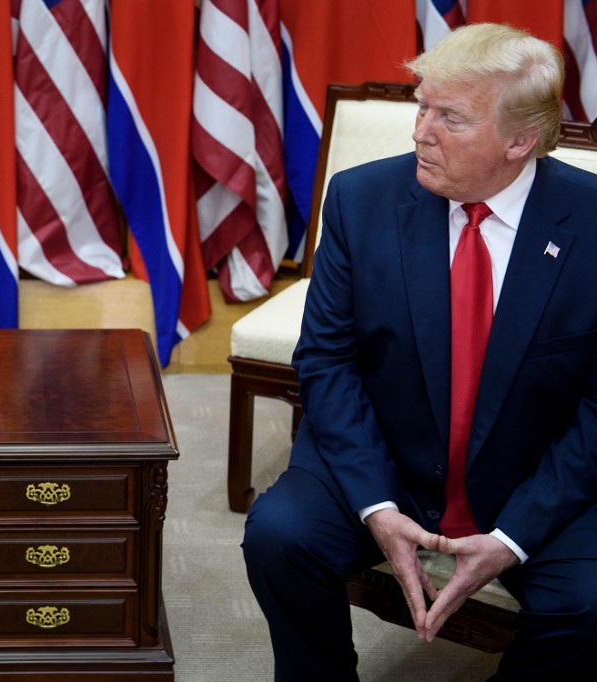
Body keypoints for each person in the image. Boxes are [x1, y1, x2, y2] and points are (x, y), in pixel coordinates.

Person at [242, 22, 597, 681]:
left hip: (533, 476)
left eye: (449, 118)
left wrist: (512, 537)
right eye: (421, 106)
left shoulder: (591, 223)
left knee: (588, 605)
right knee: (279, 537)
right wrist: (378, 507)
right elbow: (327, 361)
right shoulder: (360, 199)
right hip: (389, 457)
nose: (419, 133)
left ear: (520, 140)